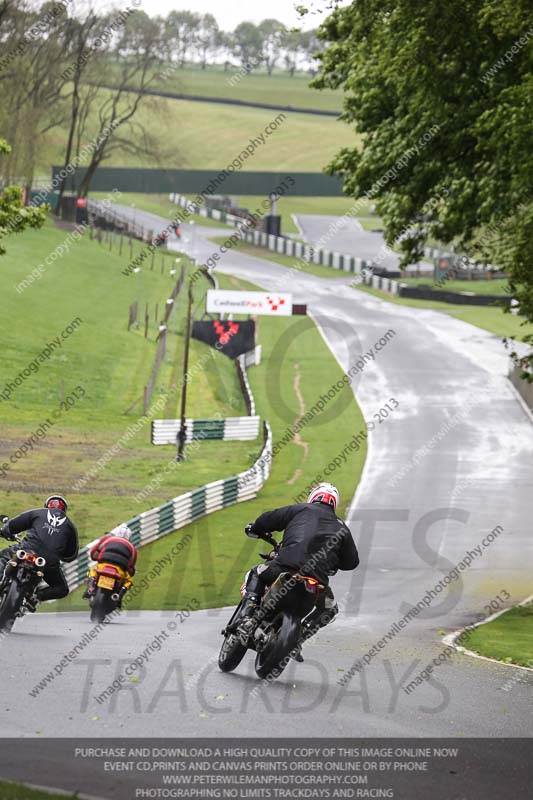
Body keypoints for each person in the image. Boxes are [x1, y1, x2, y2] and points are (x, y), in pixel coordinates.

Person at [241, 482, 359, 661]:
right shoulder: (342, 527)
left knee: (256, 573)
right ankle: (299, 638)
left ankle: (248, 617)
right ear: (333, 503)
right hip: (316, 582)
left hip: (285, 567)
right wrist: (334, 561)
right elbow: (352, 562)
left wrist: (256, 528)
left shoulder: (301, 509)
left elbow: (269, 519)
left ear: (314, 497)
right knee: (330, 609)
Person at [0, 495, 78, 611]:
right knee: (61, 588)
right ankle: (35, 597)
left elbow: (12, 526)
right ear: (64, 510)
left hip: (26, 550)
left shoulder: (37, 513)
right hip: (48, 563)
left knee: (2, 556)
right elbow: (71, 555)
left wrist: (4, 531)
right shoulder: (71, 526)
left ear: (47, 506)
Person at [83, 524, 137, 604]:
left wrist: (96, 558)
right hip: (119, 570)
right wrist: (130, 572)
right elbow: (131, 568)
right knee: (127, 582)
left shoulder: (107, 539)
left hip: (103, 564)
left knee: (93, 570)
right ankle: (118, 596)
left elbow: (93, 553)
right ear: (129, 537)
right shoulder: (132, 549)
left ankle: (90, 588)